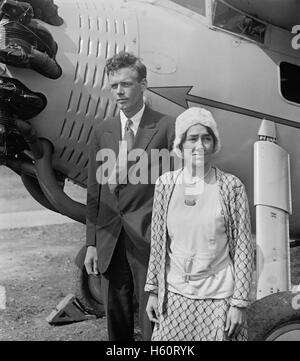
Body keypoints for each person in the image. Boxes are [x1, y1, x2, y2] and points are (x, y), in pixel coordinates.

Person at [84, 51, 175, 341]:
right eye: (114, 86)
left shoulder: (166, 126)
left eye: (126, 84)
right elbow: (94, 194)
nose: (119, 92)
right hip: (111, 240)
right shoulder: (102, 132)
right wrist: (91, 244)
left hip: (150, 238)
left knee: (154, 319)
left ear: (143, 85)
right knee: (117, 320)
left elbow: (178, 186)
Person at [145, 107, 254, 341]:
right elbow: (158, 243)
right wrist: (153, 291)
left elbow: (244, 247)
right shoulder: (166, 184)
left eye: (207, 138)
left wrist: (239, 303)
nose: (200, 146)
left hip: (219, 301)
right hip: (174, 298)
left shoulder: (231, 186)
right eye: (192, 138)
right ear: (180, 145)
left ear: (214, 144)